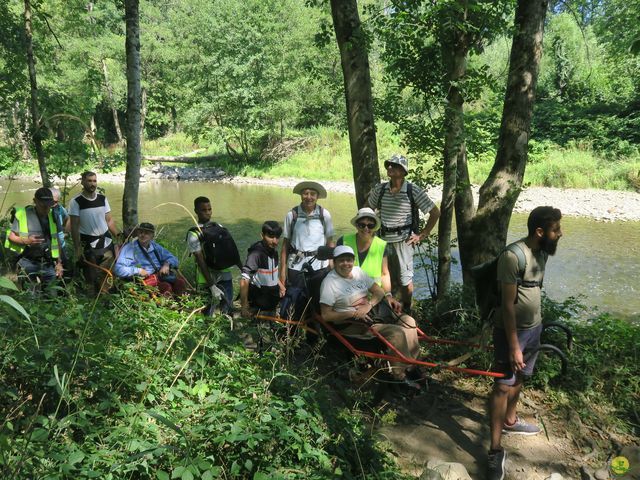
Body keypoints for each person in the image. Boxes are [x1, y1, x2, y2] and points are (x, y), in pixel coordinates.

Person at [486, 206, 563, 480]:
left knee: (522, 375)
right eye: (556, 229)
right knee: (502, 386)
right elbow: (507, 306)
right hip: (511, 332)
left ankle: (511, 420)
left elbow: (533, 292)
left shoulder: (542, 252)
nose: (560, 234)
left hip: (534, 329)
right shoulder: (512, 256)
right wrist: (515, 345)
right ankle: (495, 450)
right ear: (540, 231)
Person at [319, 245, 421, 385]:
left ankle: (411, 365)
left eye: (349, 260)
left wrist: (369, 304)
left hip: (372, 315)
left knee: (408, 320)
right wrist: (353, 313)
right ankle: (400, 376)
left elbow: (379, 291)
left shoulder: (358, 272)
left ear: (353, 261)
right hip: (353, 325)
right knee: (396, 332)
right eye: (341, 260)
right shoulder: (329, 283)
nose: (346, 264)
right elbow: (326, 315)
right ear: (334, 262)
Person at [367, 154, 440, 310]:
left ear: (403, 171)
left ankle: (407, 309)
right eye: (388, 165)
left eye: (394, 165)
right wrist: (369, 230)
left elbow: (435, 212)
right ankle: (387, 310)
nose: (390, 168)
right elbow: (366, 209)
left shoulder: (412, 190)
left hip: (404, 241)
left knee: (405, 280)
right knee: (382, 277)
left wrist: (422, 234)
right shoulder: (380, 189)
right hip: (382, 240)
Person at [280, 181, 334, 311]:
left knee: (317, 302)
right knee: (293, 302)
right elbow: (285, 245)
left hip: (319, 267)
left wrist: (332, 268)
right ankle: (291, 330)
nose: (309, 197)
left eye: (313, 194)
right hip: (295, 266)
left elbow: (330, 242)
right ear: (301, 195)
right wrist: (282, 272)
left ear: (317, 196)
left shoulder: (324, 215)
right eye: (305, 193)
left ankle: (313, 331)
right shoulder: (292, 215)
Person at [69, 171, 121, 295]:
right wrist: (77, 249)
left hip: (106, 242)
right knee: (90, 276)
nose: (92, 184)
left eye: (94, 181)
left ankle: (106, 298)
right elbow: (74, 227)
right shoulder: (76, 201)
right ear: (82, 182)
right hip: (88, 245)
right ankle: (92, 303)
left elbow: (109, 221)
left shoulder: (102, 199)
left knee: (108, 273)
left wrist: (119, 236)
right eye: (89, 181)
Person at [186, 196, 240, 314]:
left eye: (209, 209)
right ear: (196, 211)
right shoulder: (194, 234)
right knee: (207, 310)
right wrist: (211, 286)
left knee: (227, 308)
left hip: (224, 275)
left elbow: (231, 250)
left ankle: (227, 329)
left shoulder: (218, 227)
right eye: (203, 210)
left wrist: (243, 269)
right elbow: (200, 260)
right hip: (206, 279)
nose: (208, 213)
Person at [5, 187, 64, 289]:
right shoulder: (23, 214)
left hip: (48, 263)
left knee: (51, 295)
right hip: (27, 262)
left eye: (48, 205)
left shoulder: (53, 215)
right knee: (30, 296)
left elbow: (56, 240)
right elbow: (11, 236)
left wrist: (59, 263)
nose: (46, 208)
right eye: (43, 205)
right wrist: (26, 241)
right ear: (35, 201)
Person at [114, 222, 186, 297]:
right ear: (137, 233)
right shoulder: (129, 248)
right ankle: (169, 306)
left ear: (152, 236)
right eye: (141, 232)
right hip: (144, 281)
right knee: (166, 287)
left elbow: (174, 259)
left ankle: (182, 303)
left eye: (146, 233)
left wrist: (167, 264)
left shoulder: (155, 247)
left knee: (180, 283)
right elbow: (118, 269)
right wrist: (138, 271)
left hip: (160, 277)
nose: (143, 235)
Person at [240, 221, 285, 318]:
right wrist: (244, 306)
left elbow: (271, 274)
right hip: (259, 305)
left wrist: (281, 286)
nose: (275, 241)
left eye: (277, 237)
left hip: (271, 301)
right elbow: (244, 279)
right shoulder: (256, 254)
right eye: (271, 237)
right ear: (262, 235)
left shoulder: (273, 252)